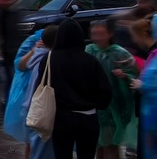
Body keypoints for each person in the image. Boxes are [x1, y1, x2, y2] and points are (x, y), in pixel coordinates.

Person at [40, 20, 112, 159]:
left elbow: (41, 86)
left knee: (62, 154)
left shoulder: (49, 59)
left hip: (61, 117)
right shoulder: (90, 60)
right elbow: (105, 92)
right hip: (88, 117)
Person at [85, 20, 137, 159]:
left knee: (110, 145)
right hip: (94, 107)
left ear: (110, 34)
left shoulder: (120, 53)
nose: (97, 38)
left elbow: (135, 76)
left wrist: (125, 75)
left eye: (100, 34)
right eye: (94, 34)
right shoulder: (89, 50)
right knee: (98, 145)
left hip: (114, 107)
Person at [8, 25, 59, 159]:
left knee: (33, 144)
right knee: (34, 143)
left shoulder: (44, 55)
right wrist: (34, 49)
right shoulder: (41, 53)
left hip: (32, 104)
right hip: (39, 105)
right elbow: (20, 65)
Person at [125, 15, 156, 157]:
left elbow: (150, 83)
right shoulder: (151, 54)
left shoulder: (154, 54)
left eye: (134, 36)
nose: (133, 40)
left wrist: (140, 85)